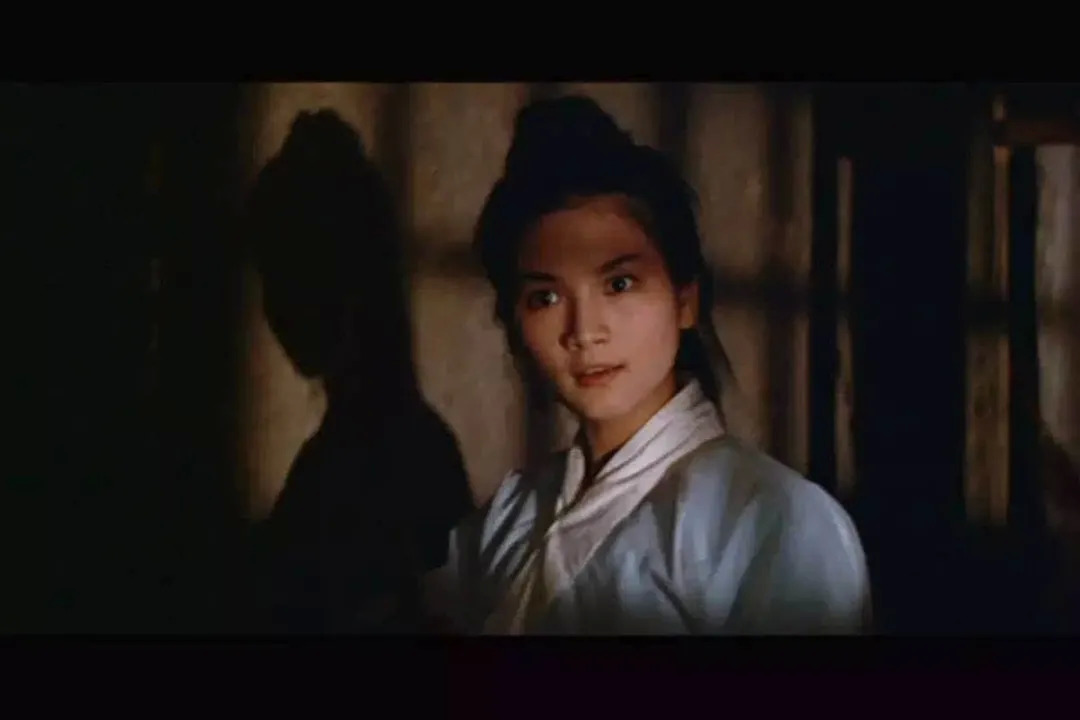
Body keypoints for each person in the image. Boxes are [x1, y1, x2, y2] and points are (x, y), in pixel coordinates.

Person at [442, 95, 871, 634]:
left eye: (619, 284)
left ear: (685, 300)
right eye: (545, 298)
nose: (584, 331)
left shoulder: (772, 520)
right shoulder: (507, 518)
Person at [235, 109, 473, 633]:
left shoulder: (390, 456)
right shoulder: (386, 446)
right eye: (272, 283)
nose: (277, 310)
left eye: (292, 280)